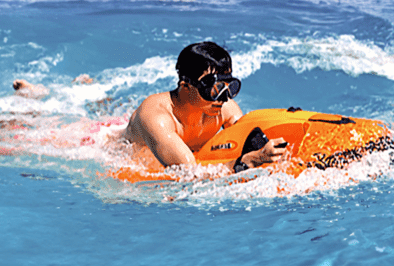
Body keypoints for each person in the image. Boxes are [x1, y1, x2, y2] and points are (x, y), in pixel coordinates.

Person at [122, 41, 287, 172]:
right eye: (213, 89)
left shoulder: (224, 109)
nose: (222, 98)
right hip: (118, 155)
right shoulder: (156, 118)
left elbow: (247, 140)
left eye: (227, 87)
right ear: (185, 86)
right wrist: (249, 161)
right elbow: (189, 174)